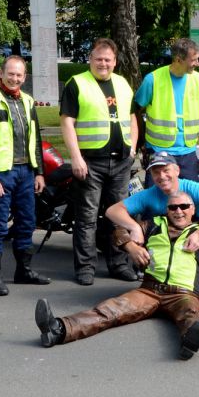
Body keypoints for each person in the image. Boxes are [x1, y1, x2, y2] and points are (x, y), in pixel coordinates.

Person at [35, 191, 199, 360]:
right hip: (149, 291)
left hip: (183, 294)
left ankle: (189, 342)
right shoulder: (152, 225)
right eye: (173, 207)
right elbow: (119, 232)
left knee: (189, 315)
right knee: (110, 310)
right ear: (166, 210)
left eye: (184, 206)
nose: (178, 211)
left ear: (192, 209)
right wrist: (132, 247)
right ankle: (58, 330)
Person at [105, 152, 199, 308]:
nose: (162, 176)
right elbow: (112, 211)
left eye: (166, 170)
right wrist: (134, 227)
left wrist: (198, 234)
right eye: (156, 172)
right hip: (166, 252)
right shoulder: (149, 194)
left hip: (195, 249)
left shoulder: (193, 187)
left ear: (177, 171)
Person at [59, 38, 138, 285]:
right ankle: (85, 268)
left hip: (121, 161)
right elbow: (67, 122)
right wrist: (76, 157)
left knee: (120, 216)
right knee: (87, 218)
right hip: (90, 163)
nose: (103, 64)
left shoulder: (123, 83)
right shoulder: (77, 84)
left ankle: (119, 264)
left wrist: (133, 146)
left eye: (108, 60)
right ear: (90, 59)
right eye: (98, 59)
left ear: (115, 61)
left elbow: (133, 116)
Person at [0, 56, 49, 296]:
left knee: (27, 222)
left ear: (25, 77)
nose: (15, 79)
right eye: (11, 74)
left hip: (26, 172)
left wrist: (39, 172)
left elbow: (35, 139)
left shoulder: (27, 101)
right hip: (2, 173)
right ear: (1, 73)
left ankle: (23, 271)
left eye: (19, 75)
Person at [133, 37, 199, 182]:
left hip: (188, 152)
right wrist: (140, 141)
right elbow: (135, 111)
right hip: (159, 151)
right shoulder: (152, 79)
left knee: (188, 200)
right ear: (179, 60)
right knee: (156, 201)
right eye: (194, 60)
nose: (197, 63)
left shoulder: (198, 79)